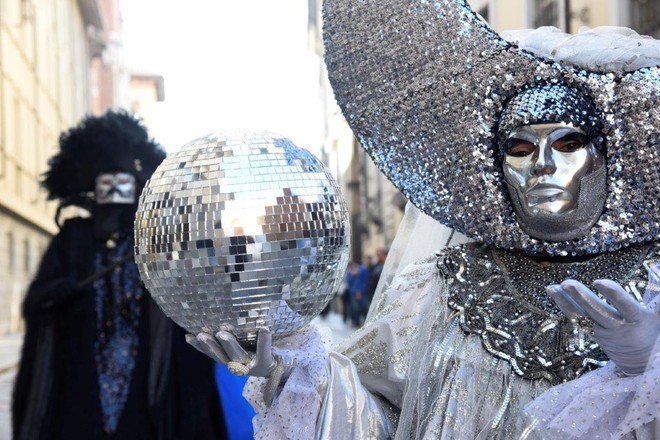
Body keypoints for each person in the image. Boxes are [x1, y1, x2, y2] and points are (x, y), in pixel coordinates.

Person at [188, 1, 660, 439]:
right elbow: (374, 421)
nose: (542, 165)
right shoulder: (440, 290)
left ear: (609, 156)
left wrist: (649, 368)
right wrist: (295, 372)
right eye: (519, 148)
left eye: (567, 143)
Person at [12, 110, 227, 440]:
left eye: (121, 181)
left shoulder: (155, 239)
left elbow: (192, 303)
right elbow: (35, 304)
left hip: (146, 383)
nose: (113, 191)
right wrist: (58, 291)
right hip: (80, 381)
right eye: (106, 182)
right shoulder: (72, 240)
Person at [345, 260, 370, 327]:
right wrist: (351, 275)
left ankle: (366, 321)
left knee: (364, 307)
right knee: (354, 308)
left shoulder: (362, 269)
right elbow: (349, 283)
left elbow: (365, 281)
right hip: (353, 293)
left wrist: (360, 291)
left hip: (363, 292)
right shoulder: (349, 273)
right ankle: (355, 321)